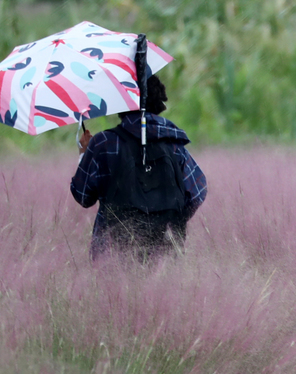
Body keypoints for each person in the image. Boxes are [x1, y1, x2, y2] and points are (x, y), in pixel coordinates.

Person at [70, 75, 207, 262]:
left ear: (121, 101)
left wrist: (83, 155)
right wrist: (168, 218)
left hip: (111, 256)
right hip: (165, 255)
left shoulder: (104, 143)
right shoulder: (174, 143)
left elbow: (83, 196)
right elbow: (197, 191)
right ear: (159, 101)